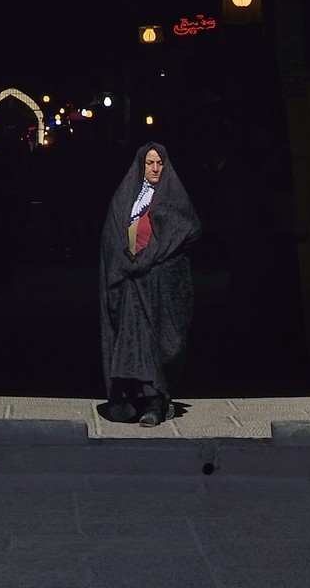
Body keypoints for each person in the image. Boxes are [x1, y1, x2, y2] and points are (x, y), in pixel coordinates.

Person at [98, 139, 200, 425]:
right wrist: (126, 265)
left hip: (160, 287)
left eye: (159, 163)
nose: (155, 168)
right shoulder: (126, 198)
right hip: (132, 287)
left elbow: (186, 230)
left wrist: (151, 260)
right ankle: (151, 402)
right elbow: (112, 236)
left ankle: (160, 396)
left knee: (167, 344)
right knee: (137, 345)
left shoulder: (173, 199)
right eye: (149, 163)